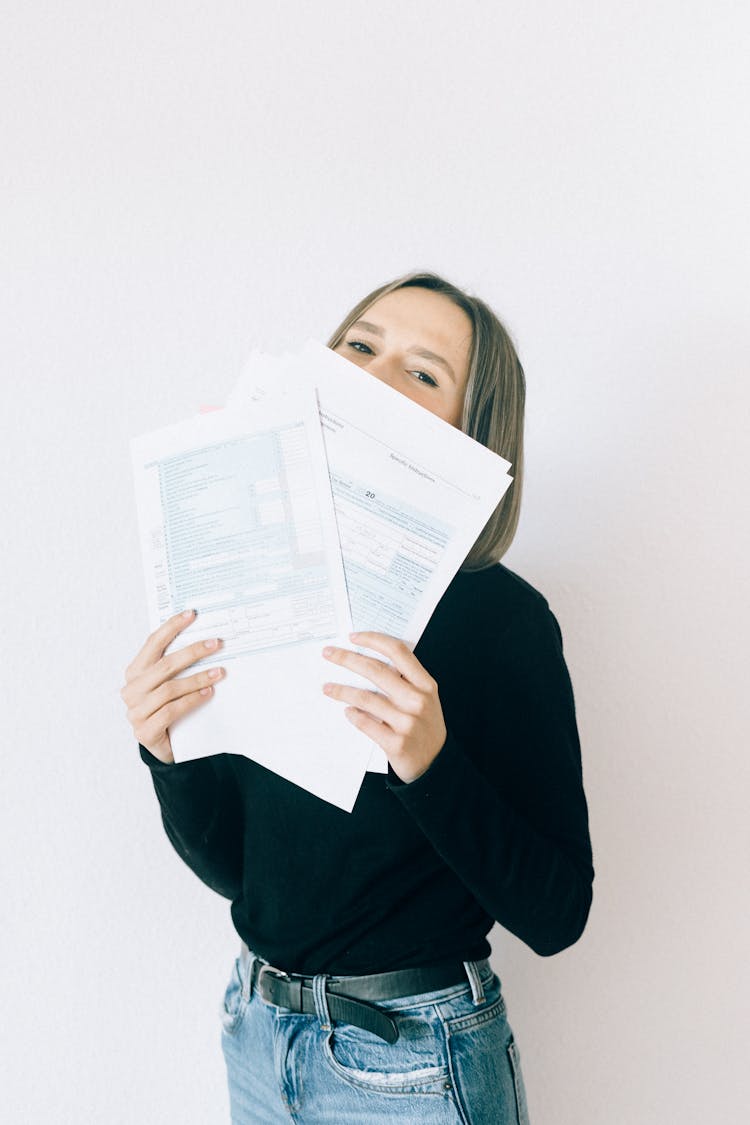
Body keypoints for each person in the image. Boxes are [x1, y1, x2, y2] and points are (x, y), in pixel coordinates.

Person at [122, 272, 594, 1124]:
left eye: (422, 373)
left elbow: (559, 913)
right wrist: (168, 754)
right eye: (359, 346)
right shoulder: (255, 587)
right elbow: (242, 875)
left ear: (470, 431)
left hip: (412, 1063)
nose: (371, 378)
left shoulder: (504, 621)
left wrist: (432, 764)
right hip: (260, 1031)